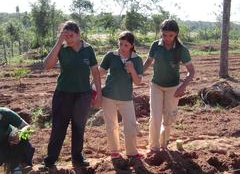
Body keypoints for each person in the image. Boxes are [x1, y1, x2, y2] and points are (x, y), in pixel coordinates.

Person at [42, 20, 102, 168]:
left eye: (71, 35)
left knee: (79, 127)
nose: (68, 38)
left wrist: (99, 93)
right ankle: (50, 160)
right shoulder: (61, 48)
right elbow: (47, 65)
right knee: (58, 127)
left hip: (83, 95)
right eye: (65, 35)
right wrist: (58, 42)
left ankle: (77, 158)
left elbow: (95, 71)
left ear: (78, 34)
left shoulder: (88, 49)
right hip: (63, 94)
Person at [143, 19, 195, 154]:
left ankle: (164, 145)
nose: (167, 38)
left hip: (173, 87)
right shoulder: (155, 45)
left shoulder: (181, 50)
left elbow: (191, 71)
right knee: (155, 116)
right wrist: (137, 74)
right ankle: (154, 147)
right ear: (161, 33)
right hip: (156, 85)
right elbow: (148, 62)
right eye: (164, 35)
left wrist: (183, 86)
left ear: (176, 34)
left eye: (170, 35)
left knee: (168, 117)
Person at [99, 31, 143, 162]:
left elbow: (138, 82)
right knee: (111, 125)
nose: (122, 48)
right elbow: (100, 72)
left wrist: (132, 70)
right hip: (109, 96)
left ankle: (132, 152)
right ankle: (114, 152)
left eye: (126, 45)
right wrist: (92, 88)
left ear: (132, 45)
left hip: (126, 97)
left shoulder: (136, 59)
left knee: (130, 125)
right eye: (120, 44)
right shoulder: (111, 56)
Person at [0, 107, 35, 173]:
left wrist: (18, 134)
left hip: (9, 142)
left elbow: (27, 128)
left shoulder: (5, 113)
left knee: (23, 138)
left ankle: (18, 167)